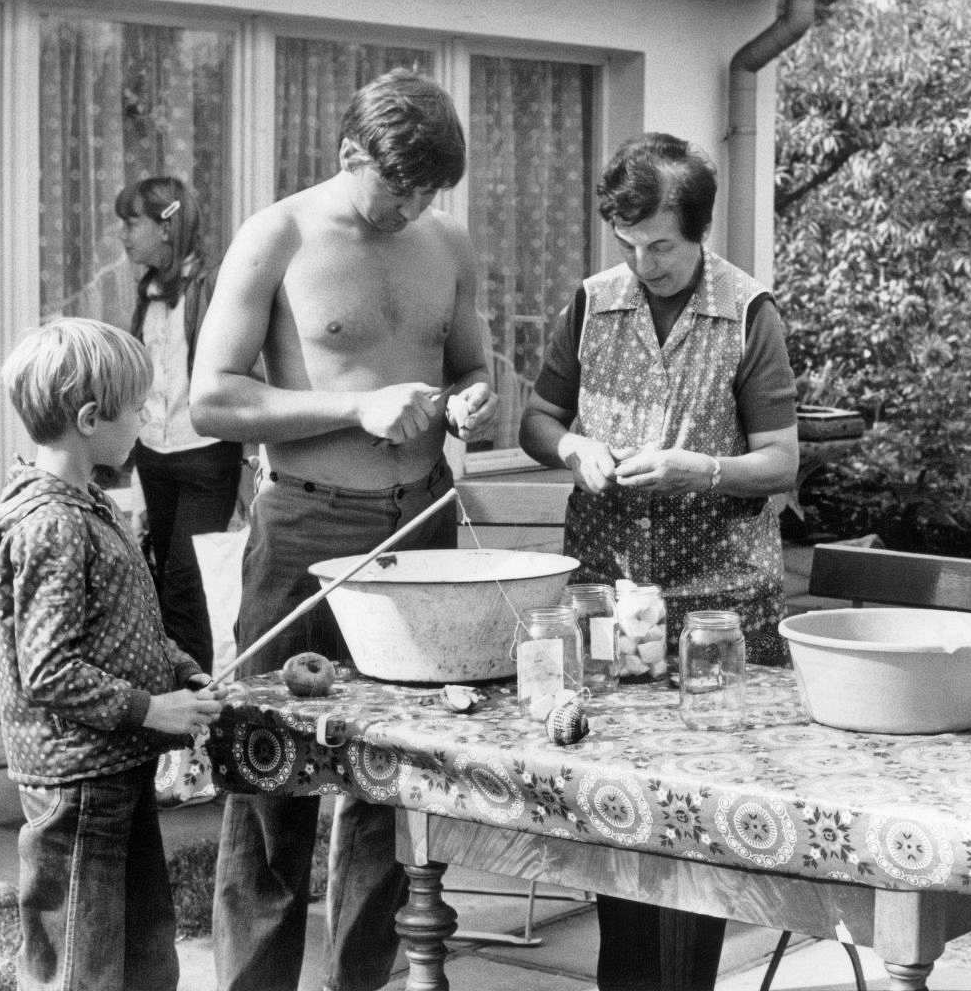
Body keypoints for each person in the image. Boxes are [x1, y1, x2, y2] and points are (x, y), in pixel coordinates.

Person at [188, 68, 497, 991]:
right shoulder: (276, 235)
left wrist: (473, 401)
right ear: (349, 154)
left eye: (431, 190)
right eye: (399, 186)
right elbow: (211, 400)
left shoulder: (446, 239)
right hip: (306, 523)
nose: (415, 206)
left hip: (421, 522)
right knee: (269, 768)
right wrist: (352, 410)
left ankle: (360, 982)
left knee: (390, 781)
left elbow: (474, 365)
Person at [519, 132, 798, 991]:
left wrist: (700, 470)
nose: (646, 264)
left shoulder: (749, 312)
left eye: (663, 246)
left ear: (701, 231)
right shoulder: (591, 303)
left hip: (717, 605)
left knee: (701, 821)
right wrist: (571, 449)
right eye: (631, 246)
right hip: (610, 597)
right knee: (613, 808)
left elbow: (781, 462)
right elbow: (536, 418)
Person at [0, 317, 227, 991]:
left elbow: (123, 625)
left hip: (116, 767)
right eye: (138, 407)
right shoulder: (52, 525)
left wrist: (178, 671)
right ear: (90, 418)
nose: (146, 419)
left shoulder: (91, 504)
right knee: (81, 962)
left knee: (142, 948)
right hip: (78, 782)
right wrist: (151, 710)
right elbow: (48, 671)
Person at [115, 176, 242, 675]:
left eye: (132, 222)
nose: (123, 234)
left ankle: (203, 715)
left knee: (190, 585)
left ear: (166, 227)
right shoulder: (148, 291)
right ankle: (177, 710)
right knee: (162, 581)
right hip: (154, 455)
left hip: (206, 453)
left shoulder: (209, 286)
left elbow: (236, 372)